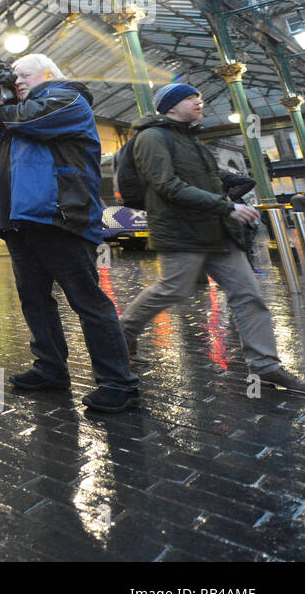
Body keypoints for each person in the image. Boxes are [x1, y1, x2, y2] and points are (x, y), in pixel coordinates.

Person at [0, 52, 140, 413]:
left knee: (87, 301)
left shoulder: (67, 99)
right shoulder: (15, 118)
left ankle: (118, 383)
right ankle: (50, 367)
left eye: (24, 75)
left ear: (50, 72)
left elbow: (33, 118)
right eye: (13, 78)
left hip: (60, 218)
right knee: (34, 300)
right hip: (21, 221)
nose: (17, 81)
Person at [117, 83, 304, 393]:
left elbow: (216, 184)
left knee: (248, 294)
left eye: (198, 96)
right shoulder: (151, 138)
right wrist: (226, 207)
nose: (199, 101)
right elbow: (166, 186)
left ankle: (265, 365)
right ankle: (122, 333)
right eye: (190, 98)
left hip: (218, 231)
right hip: (182, 231)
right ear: (171, 107)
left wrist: (227, 208)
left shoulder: (192, 140)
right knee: (173, 289)